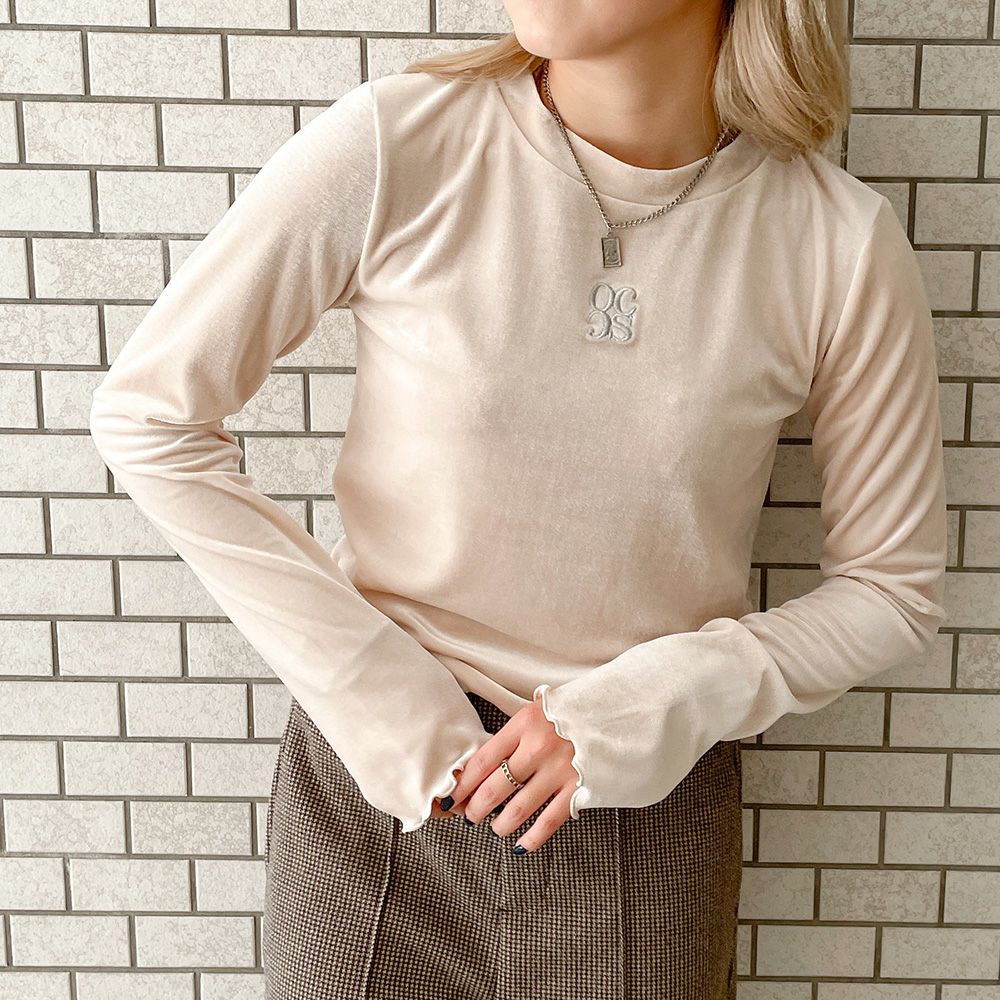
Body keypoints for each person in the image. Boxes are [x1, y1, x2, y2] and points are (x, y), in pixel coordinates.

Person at [87, 0, 948, 996]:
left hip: (644, 812)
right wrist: (378, 693)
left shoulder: (832, 241)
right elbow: (150, 417)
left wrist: (653, 703)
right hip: (378, 796)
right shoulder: (403, 142)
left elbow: (891, 588)